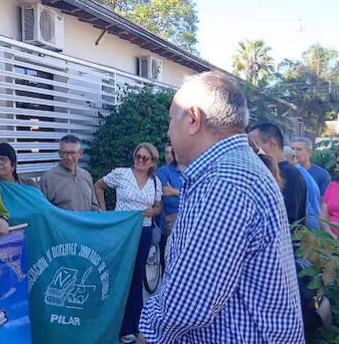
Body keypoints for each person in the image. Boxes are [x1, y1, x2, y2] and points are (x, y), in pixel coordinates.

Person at [140, 72, 304, 343]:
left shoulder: (224, 181)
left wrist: (148, 332)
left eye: (171, 119)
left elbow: (188, 302)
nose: (168, 131)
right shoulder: (235, 169)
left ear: (193, 119)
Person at [94, 143, 162, 344]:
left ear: (152, 162)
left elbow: (158, 206)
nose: (140, 160)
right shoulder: (122, 174)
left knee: (136, 277)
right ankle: (116, 324)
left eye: (145, 158)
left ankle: (134, 325)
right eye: (138, 156)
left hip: (143, 231)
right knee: (118, 276)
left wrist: (154, 211)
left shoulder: (155, 181)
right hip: (121, 231)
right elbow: (98, 185)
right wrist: (104, 211)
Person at [249, 123, 308, 228]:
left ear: (271, 144)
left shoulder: (290, 175)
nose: (250, 152)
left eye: (255, 146)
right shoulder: (268, 172)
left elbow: (289, 218)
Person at [39, 135, 100, 212]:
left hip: (85, 223)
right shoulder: (48, 179)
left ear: (80, 153)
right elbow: (42, 210)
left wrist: (97, 210)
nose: (69, 157)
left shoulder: (86, 176)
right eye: (65, 153)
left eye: (73, 153)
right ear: (59, 153)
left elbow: (93, 205)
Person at [155, 143, 184, 272]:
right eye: (165, 153)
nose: (168, 156)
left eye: (170, 153)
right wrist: (181, 192)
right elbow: (163, 191)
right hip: (170, 216)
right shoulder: (164, 171)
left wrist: (175, 191)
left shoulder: (189, 169)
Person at [285, 146, 322, 230]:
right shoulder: (301, 172)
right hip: (313, 218)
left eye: (299, 149)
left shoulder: (294, 174)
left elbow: (305, 206)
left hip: (309, 221)